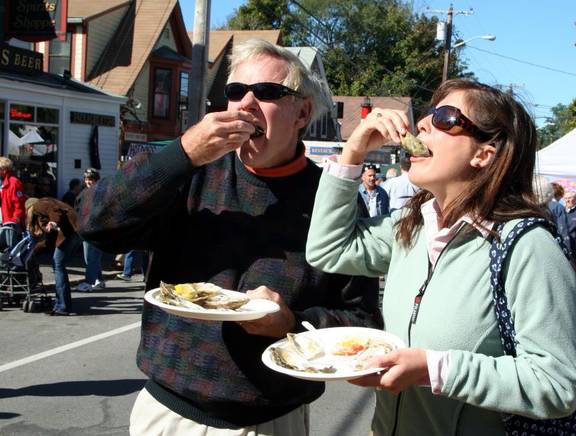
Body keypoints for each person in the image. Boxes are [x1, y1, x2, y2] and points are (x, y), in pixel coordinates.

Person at [76, 38, 381, 435]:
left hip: (275, 420)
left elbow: (362, 321)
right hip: (171, 414)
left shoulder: (332, 198)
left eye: (268, 92)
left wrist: (293, 322)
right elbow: (93, 223)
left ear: (302, 112)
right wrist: (181, 153)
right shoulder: (192, 173)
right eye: (236, 92)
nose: (246, 104)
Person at [306, 79, 576, 435]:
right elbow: (328, 249)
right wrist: (353, 151)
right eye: (426, 115)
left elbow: (557, 385)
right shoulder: (411, 226)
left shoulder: (528, 246)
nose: (422, 124)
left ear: (484, 153)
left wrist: (434, 369)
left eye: (445, 118)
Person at [25, 197, 80, 316]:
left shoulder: (39, 205)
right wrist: (34, 251)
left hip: (70, 232)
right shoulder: (42, 216)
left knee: (58, 265)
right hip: (73, 232)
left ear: (29, 208)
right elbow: (49, 241)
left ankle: (63, 306)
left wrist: (54, 222)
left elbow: (55, 211)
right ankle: (62, 304)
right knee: (58, 265)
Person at [76, 168, 105, 292]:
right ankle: (99, 280)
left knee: (92, 256)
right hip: (85, 229)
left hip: (97, 230)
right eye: (87, 179)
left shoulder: (102, 193)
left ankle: (89, 282)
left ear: (96, 180)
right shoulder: (83, 193)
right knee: (90, 257)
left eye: (91, 179)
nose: (89, 181)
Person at [0, 156, 26, 249]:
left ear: (4, 169)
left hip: (10, 223)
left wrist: (15, 219)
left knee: (10, 248)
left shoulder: (14, 183)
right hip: (3, 221)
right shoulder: (2, 182)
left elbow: (19, 203)